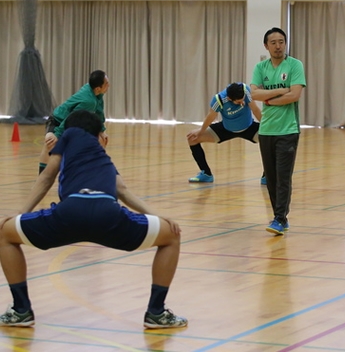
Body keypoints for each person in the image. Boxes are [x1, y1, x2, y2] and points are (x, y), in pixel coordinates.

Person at [0, 110, 187, 328]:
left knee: (5, 234)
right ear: (99, 135)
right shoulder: (99, 154)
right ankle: (156, 312)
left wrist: (21, 213)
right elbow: (123, 191)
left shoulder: (70, 140)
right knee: (171, 237)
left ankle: (21, 309)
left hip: (69, 214)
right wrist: (158, 217)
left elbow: (47, 177)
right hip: (108, 216)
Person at [250, 27, 306, 236]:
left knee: (284, 176)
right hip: (266, 131)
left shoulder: (294, 65)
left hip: (288, 130)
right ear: (266, 46)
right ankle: (279, 216)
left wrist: (269, 99)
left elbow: (295, 95)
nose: (278, 46)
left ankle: (280, 218)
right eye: (273, 42)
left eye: (281, 41)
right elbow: (253, 93)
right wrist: (280, 90)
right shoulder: (260, 67)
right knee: (271, 178)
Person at [186, 82, 264, 184]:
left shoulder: (245, 90)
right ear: (230, 99)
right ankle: (206, 174)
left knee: (272, 139)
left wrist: (266, 127)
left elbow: (255, 110)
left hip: (249, 128)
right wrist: (201, 131)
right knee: (192, 138)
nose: (241, 103)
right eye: (238, 102)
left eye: (242, 100)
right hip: (226, 129)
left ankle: (267, 176)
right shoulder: (219, 100)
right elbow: (211, 116)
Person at [39, 70, 110, 174]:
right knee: (50, 143)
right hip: (57, 121)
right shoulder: (88, 101)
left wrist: (101, 130)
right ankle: (41, 176)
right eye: (106, 83)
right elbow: (70, 118)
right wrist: (57, 135)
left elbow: (99, 112)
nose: (109, 85)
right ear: (98, 88)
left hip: (71, 124)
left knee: (100, 140)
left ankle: (93, 173)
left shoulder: (96, 92)